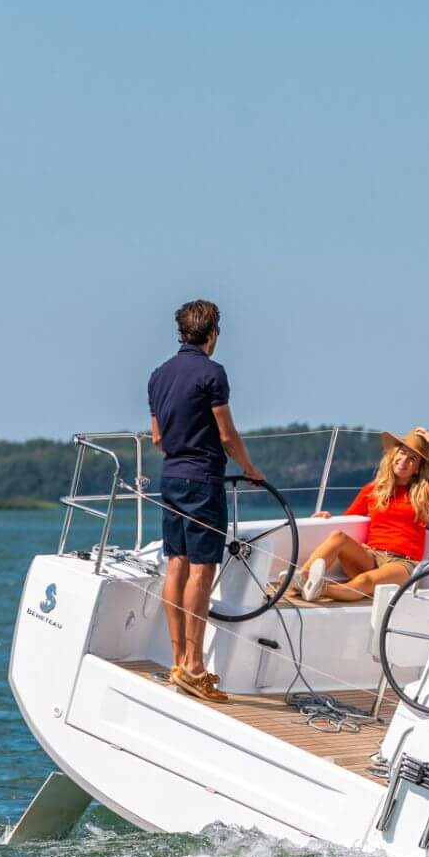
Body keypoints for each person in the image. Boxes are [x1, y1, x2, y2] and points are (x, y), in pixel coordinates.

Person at [147, 298, 264, 703]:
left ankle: (179, 661)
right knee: (201, 569)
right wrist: (250, 468)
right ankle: (195, 668)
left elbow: (158, 438)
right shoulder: (212, 373)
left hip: (171, 479)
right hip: (201, 480)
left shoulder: (158, 375)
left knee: (176, 564)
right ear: (212, 333)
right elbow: (227, 435)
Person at [289, 427, 429, 604]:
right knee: (338, 536)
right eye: (402, 452)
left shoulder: (423, 494)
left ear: (418, 469)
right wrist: (328, 517)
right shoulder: (373, 489)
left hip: (402, 564)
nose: (404, 460)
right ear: (393, 455)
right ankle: (302, 578)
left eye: (412, 459)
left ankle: (320, 590)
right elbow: (348, 518)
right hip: (371, 556)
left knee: (364, 581)